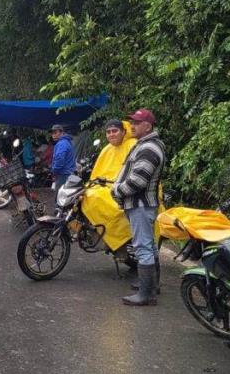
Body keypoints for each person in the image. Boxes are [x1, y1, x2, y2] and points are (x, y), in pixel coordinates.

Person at [111, 109, 166, 306]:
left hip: (140, 204)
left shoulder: (149, 148)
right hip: (142, 204)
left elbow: (138, 181)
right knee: (149, 245)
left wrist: (116, 190)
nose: (132, 126)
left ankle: (147, 294)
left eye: (136, 122)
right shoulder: (146, 145)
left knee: (143, 246)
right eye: (131, 122)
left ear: (148, 126)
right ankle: (151, 286)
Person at [81, 119, 138, 265]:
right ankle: (100, 234)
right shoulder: (107, 149)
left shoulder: (132, 146)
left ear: (124, 131)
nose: (111, 134)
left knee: (111, 207)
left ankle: (119, 245)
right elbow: (97, 173)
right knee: (85, 196)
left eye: (115, 131)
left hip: (126, 189)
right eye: (108, 132)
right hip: (105, 186)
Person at [50, 124, 75, 199]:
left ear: (62, 132)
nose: (53, 135)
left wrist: (54, 171)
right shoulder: (67, 142)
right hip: (69, 174)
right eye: (52, 133)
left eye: (55, 132)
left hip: (63, 175)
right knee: (66, 198)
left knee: (59, 199)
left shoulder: (61, 144)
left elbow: (59, 160)